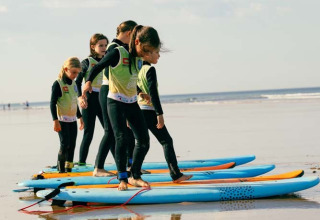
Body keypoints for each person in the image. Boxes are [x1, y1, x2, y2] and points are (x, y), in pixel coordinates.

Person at [82, 25, 160, 191]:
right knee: (121, 138)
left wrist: (140, 92)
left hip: (132, 102)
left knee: (144, 140)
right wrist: (88, 81)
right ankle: (122, 178)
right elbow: (98, 66)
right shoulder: (118, 52)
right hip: (115, 101)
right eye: (146, 50)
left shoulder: (139, 58)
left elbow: (130, 77)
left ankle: (135, 175)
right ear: (137, 42)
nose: (147, 54)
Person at [137, 49, 193, 182]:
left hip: (137, 109)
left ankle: (133, 172)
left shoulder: (136, 70)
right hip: (148, 110)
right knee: (166, 141)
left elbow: (133, 87)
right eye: (156, 52)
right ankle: (176, 175)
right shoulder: (149, 70)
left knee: (142, 143)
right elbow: (153, 93)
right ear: (147, 54)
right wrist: (159, 114)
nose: (159, 55)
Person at [75, 33, 112, 176]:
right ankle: (82, 163)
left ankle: (119, 161)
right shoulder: (87, 62)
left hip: (104, 98)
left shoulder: (109, 60)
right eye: (100, 45)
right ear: (93, 47)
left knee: (110, 132)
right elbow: (78, 82)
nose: (103, 48)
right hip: (89, 99)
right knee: (88, 133)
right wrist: (80, 98)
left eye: (105, 45)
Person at [50, 57, 84, 173]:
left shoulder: (74, 84)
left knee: (72, 145)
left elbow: (74, 101)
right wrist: (55, 120)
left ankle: (68, 169)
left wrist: (80, 117)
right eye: (73, 72)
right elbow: (52, 103)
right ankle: (61, 170)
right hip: (61, 120)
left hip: (72, 120)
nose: (75, 75)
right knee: (65, 145)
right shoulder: (58, 84)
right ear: (66, 69)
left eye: (77, 73)